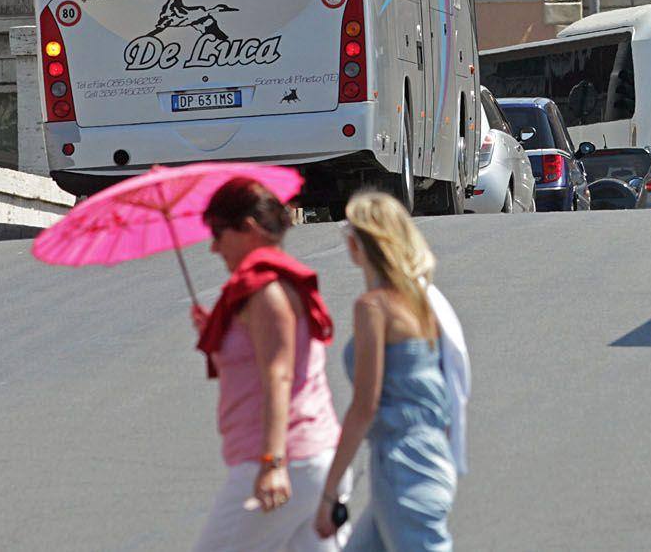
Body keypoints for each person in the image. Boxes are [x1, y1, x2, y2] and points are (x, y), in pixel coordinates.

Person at [191, 177, 345, 552]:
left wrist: (272, 463)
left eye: (218, 232)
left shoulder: (264, 290)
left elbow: (279, 374)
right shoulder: (275, 282)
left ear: (248, 229)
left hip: (284, 461)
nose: (213, 247)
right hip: (311, 460)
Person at [315, 192, 467, 550]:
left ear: (359, 245)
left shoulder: (373, 308)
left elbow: (364, 407)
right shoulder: (422, 300)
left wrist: (329, 492)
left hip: (404, 464)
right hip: (422, 455)